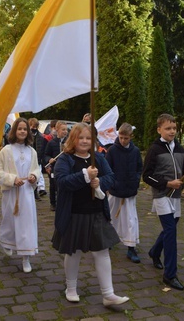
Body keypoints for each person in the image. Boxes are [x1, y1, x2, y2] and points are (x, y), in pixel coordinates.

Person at [52, 123, 129, 306]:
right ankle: (71, 288)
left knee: (102, 252)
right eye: (81, 138)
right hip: (74, 214)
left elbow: (111, 177)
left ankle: (108, 294)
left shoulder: (99, 158)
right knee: (74, 252)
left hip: (96, 213)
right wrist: (84, 175)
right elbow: (62, 182)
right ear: (73, 139)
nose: (85, 141)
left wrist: (99, 182)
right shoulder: (65, 159)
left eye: (88, 138)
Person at [142, 113, 184, 291]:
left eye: (174, 128)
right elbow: (147, 176)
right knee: (171, 231)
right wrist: (166, 183)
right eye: (168, 128)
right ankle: (170, 274)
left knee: (170, 228)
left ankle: (154, 251)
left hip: (176, 196)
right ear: (159, 129)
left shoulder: (181, 149)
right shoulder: (155, 149)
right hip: (161, 195)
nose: (172, 131)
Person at [0, 118, 41, 273]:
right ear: (14, 131)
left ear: (28, 132)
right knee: (10, 221)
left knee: (26, 225)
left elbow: (36, 169)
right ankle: (7, 242)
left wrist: (33, 176)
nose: (22, 132)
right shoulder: (6, 150)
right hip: (11, 193)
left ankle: (26, 257)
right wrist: (13, 179)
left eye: (25, 129)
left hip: (26, 194)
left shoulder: (32, 151)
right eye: (19, 129)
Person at [106, 123, 143, 263]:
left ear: (131, 137)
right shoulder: (112, 151)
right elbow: (107, 169)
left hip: (129, 191)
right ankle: (108, 240)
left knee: (130, 219)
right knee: (109, 216)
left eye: (126, 138)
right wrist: (113, 183)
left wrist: (135, 180)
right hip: (115, 191)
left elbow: (139, 167)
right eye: (121, 137)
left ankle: (131, 246)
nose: (123, 141)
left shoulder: (135, 151)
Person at [44, 121, 68, 211]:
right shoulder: (51, 143)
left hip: (65, 168)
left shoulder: (68, 142)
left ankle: (63, 202)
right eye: (63, 129)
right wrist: (49, 159)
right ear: (57, 130)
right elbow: (46, 155)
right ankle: (53, 203)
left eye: (66, 130)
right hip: (54, 168)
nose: (65, 132)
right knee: (53, 185)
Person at [28, 118, 47, 200]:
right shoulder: (26, 136)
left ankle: (35, 193)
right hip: (28, 159)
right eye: (32, 126)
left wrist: (42, 161)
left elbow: (42, 150)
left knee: (36, 177)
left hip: (37, 160)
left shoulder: (41, 137)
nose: (34, 128)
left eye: (35, 126)